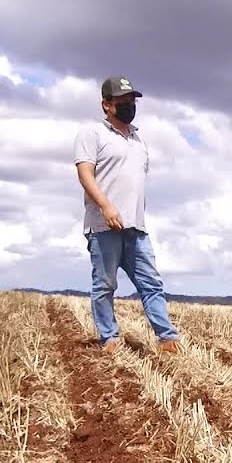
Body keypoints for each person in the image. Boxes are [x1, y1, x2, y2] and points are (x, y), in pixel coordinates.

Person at [73, 76, 182, 354]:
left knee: (151, 283)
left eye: (132, 100)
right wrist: (106, 206)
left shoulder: (138, 140)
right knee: (105, 285)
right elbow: (85, 175)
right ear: (106, 104)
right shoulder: (92, 133)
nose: (129, 105)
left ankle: (167, 338)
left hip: (136, 227)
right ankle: (109, 338)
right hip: (103, 226)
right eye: (122, 101)